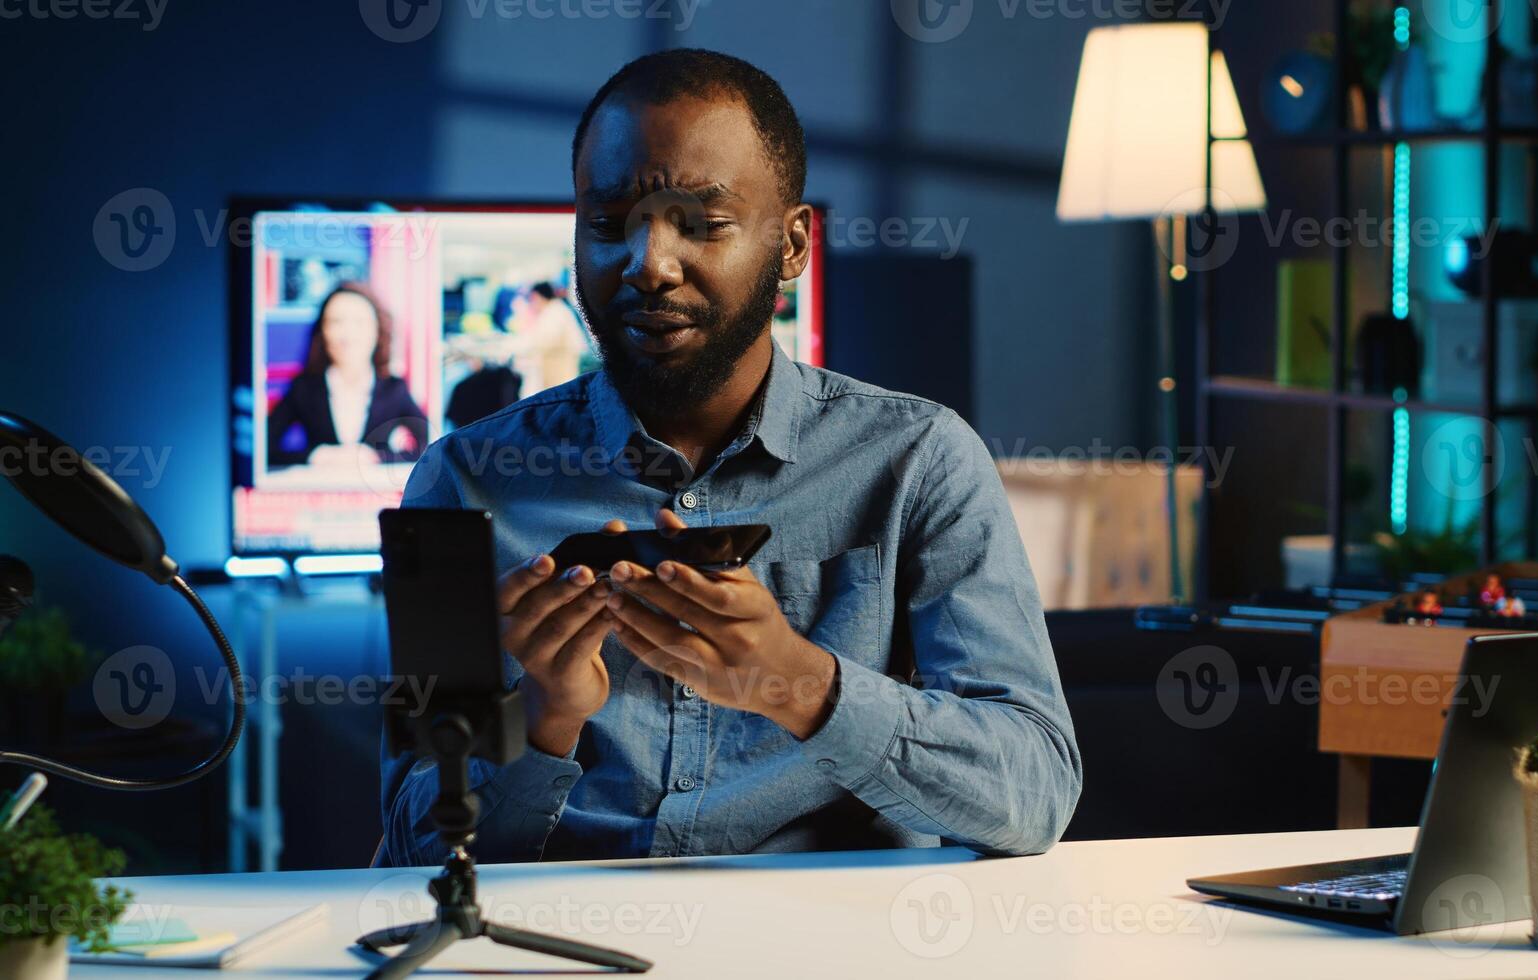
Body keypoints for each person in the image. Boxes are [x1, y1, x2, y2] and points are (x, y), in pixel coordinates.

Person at [381, 50, 1081, 865]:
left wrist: (797, 681)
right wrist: (542, 717)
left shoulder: (919, 460)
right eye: (607, 225)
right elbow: (413, 848)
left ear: (791, 246)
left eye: (702, 225)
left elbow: (1033, 795)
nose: (647, 264)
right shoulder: (462, 479)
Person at [266, 283, 428, 469]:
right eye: (336, 322)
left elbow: (429, 447)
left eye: (359, 322)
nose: (348, 334)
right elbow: (264, 449)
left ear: (377, 331)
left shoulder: (393, 388)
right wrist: (314, 455)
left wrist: (377, 458)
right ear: (322, 332)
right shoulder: (304, 388)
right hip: (319, 493)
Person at [511, 281, 594, 396]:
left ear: (538, 296)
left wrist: (522, 347)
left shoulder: (555, 312)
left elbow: (545, 341)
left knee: (561, 397)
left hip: (560, 368)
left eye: (533, 299)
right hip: (556, 366)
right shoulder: (553, 310)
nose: (532, 303)